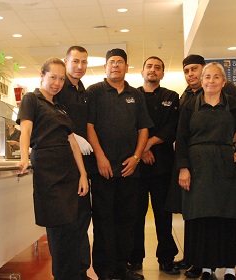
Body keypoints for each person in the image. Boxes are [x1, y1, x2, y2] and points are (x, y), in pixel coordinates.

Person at [169, 54, 236, 278]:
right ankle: (206, 267)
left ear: (224, 82)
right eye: (208, 77)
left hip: (224, 166)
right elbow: (181, 139)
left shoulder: (233, 106)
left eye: (216, 77)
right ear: (202, 80)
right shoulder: (188, 106)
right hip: (197, 168)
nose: (211, 81)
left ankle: (229, 268)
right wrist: (184, 168)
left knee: (226, 217)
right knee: (202, 218)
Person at [16, 57, 89, 280]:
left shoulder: (59, 107)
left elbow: (73, 143)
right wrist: (23, 157)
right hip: (48, 172)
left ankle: (75, 275)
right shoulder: (32, 99)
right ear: (42, 76)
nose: (57, 83)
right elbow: (25, 131)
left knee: (75, 228)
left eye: (60, 79)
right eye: (52, 77)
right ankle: (62, 276)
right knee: (59, 231)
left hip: (70, 172)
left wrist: (83, 174)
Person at [86, 48, 153, 280]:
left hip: (129, 170)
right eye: (112, 62)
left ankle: (122, 268)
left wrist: (136, 158)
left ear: (126, 67)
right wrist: (100, 157)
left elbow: (143, 128)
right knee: (104, 221)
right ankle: (104, 271)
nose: (116, 66)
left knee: (127, 221)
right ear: (105, 67)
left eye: (120, 62)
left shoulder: (136, 95)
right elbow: (89, 126)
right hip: (103, 169)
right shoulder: (94, 92)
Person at [127, 56, 180, 275]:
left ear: (162, 74)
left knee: (163, 214)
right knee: (135, 214)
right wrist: (142, 151)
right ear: (142, 72)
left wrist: (148, 144)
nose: (153, 70)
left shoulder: (171, 96)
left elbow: (172, 127)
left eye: (158, 67)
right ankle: (134, 258)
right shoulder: (131, 96)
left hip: (163, 166)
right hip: (137, 166)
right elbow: (129, 126)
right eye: (149, 66)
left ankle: (166, 258)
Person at [56, 45, 94, 280]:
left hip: (83, 166)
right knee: (69, 223)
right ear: (66, 61)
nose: (80, 66)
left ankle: (82, 270)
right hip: (64, 166)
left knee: (83, 219)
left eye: (84, 62)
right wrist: (72, 136)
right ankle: (69, 273)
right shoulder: (59, 89)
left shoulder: (83, 90)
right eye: (75, 61)